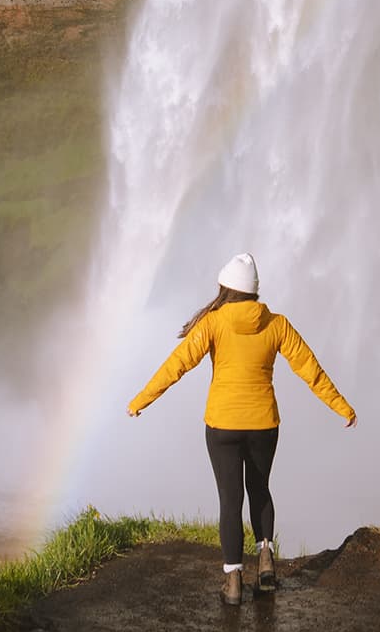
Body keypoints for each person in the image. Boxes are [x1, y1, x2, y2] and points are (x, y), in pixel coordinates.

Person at [127, 252, 356, 607]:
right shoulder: (277, 324)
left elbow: (177, 366)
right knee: (260, 490)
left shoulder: (213, 323)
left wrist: (140, 400)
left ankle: (233, 581)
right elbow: (310, 369)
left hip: (222, 426)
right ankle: (265, 560)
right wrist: (342, 407)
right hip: (264, 424)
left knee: (230, 501)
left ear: (225, 290)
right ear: (254, 292)